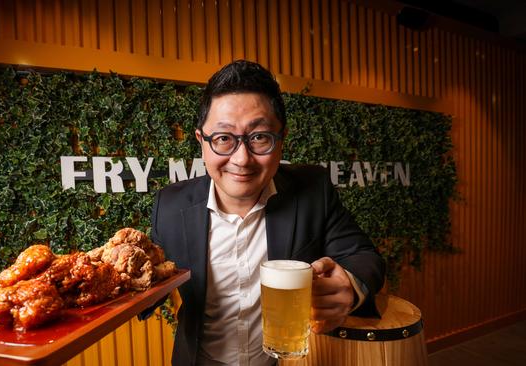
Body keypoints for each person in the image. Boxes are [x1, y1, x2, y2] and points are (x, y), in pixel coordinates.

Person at [149, 60, 385, 365]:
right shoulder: (170, 205)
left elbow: (364, 256)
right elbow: (148, 281)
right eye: (223, 138)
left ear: (282, 138)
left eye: (259, 137)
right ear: (201, 141)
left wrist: (349, 287)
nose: (242, 159)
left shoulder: (313, 190)